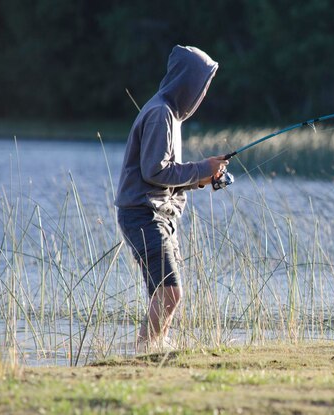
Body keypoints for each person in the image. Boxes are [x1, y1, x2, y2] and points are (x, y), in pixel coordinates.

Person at [115, 45, 228, 352]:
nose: (202, 95)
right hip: (143, 214)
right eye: (200, 86)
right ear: (185, 82)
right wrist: (201, 168)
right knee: (170, 292)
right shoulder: (160, 113)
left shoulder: (170, 115)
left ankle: (153, 349)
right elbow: (154, 171)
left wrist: (202, 178)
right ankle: (145, 350)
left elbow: (162, 175)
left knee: (162, 292)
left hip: (157, 214)